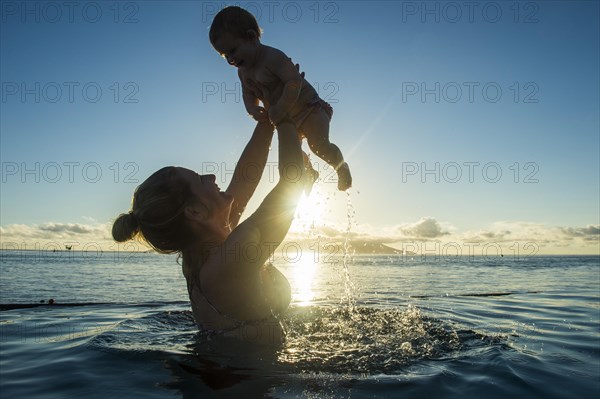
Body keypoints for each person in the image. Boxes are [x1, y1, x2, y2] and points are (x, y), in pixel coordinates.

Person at [112, 119, 305, 344]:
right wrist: (285, 118)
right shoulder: (229, 259)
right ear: (195, 212)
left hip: (224, 368)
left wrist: (266, 122)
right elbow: (292, 183)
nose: (211, 177)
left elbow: (246, 177)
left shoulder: (207, 248)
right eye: (200, 179)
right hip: (249, 376)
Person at [209, 6, 352, 192]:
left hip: (310, 109)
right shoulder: (243, 73)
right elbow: (247, 94)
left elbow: (293, 81)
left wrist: (281, 107)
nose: (231, 59)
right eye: (225, 56)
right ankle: (310, 173)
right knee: (292, 153)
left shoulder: (273, 57)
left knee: (318, 146)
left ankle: (341, 167)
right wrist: (252, 110)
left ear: (251, 37)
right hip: (287, 120)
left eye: (233, 51)